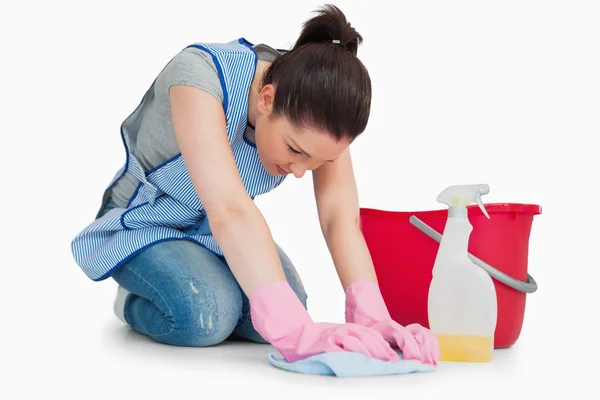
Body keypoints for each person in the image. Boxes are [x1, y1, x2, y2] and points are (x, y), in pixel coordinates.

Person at [71, 4, 440, 365]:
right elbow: (230, 209)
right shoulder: (200, 78)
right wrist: (295, 333)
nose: (300, 171)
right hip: (144, 224)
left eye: (319, 161)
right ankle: (134, 301)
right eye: (295, 150)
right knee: (203, 313)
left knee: (283, 313)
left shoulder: (321, 110)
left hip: (212, 232)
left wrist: (374, 319)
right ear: (267, 99)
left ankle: (199, 285)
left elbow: (338, 219)